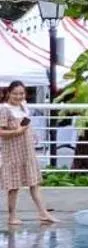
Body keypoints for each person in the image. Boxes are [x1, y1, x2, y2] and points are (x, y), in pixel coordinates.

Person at [0, 81, 51, 229]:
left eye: (21, 93)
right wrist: (16, 132)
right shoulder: (4, 109)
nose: (18, 96)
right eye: (15, 93)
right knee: (14, 186)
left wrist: (32, 133)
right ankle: (12, 216)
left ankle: (43, 213)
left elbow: (26, 124)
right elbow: (1, 132)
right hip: (13, 152)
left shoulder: (23, 106)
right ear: (9, 93)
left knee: (34, 183)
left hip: (27, 150)